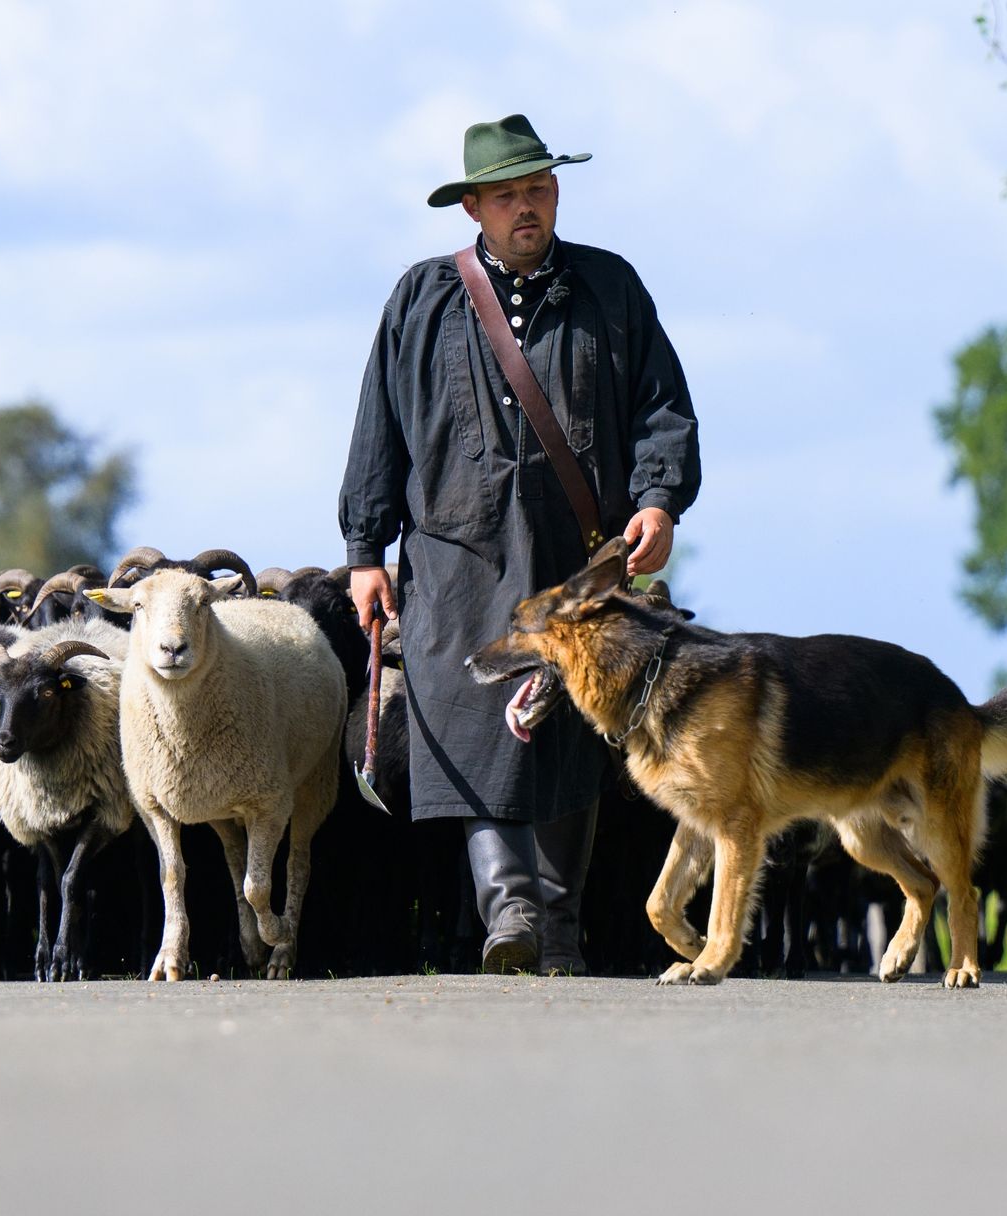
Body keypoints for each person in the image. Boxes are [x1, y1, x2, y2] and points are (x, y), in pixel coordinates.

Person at [338, 113, 700, 975]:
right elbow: (377, 429)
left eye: (537, 189)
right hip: (454, 559)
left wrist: (658, 500)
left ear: (557, 192)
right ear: (473, 208)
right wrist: (363, 551)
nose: (527, 207)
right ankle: (510, 917)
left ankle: (561, 926)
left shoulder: (612, 288)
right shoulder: (420, 300)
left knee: (574, 730)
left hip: (578, 562)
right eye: (507, 195)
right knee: (470, 722)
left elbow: (662, 405)